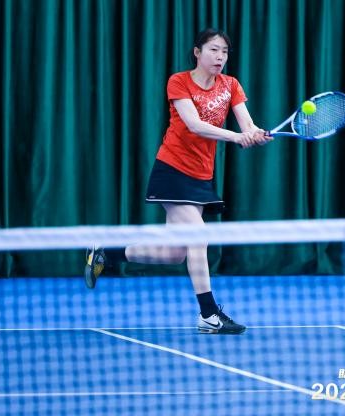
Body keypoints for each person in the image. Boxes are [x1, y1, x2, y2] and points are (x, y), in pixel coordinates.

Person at [84, 28, 271, 335]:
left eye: (224, 52)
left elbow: (247, 124)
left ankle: (106, 252)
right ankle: (208, 314)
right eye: (213, 50)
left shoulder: (231, 85)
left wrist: (254, 134)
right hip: (172, 170)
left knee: (175, 253)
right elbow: (195, 125)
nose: (220, 57)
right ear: (197, 52)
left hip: (201, 175)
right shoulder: (179, 81)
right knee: (199, 236)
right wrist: (237, 137)